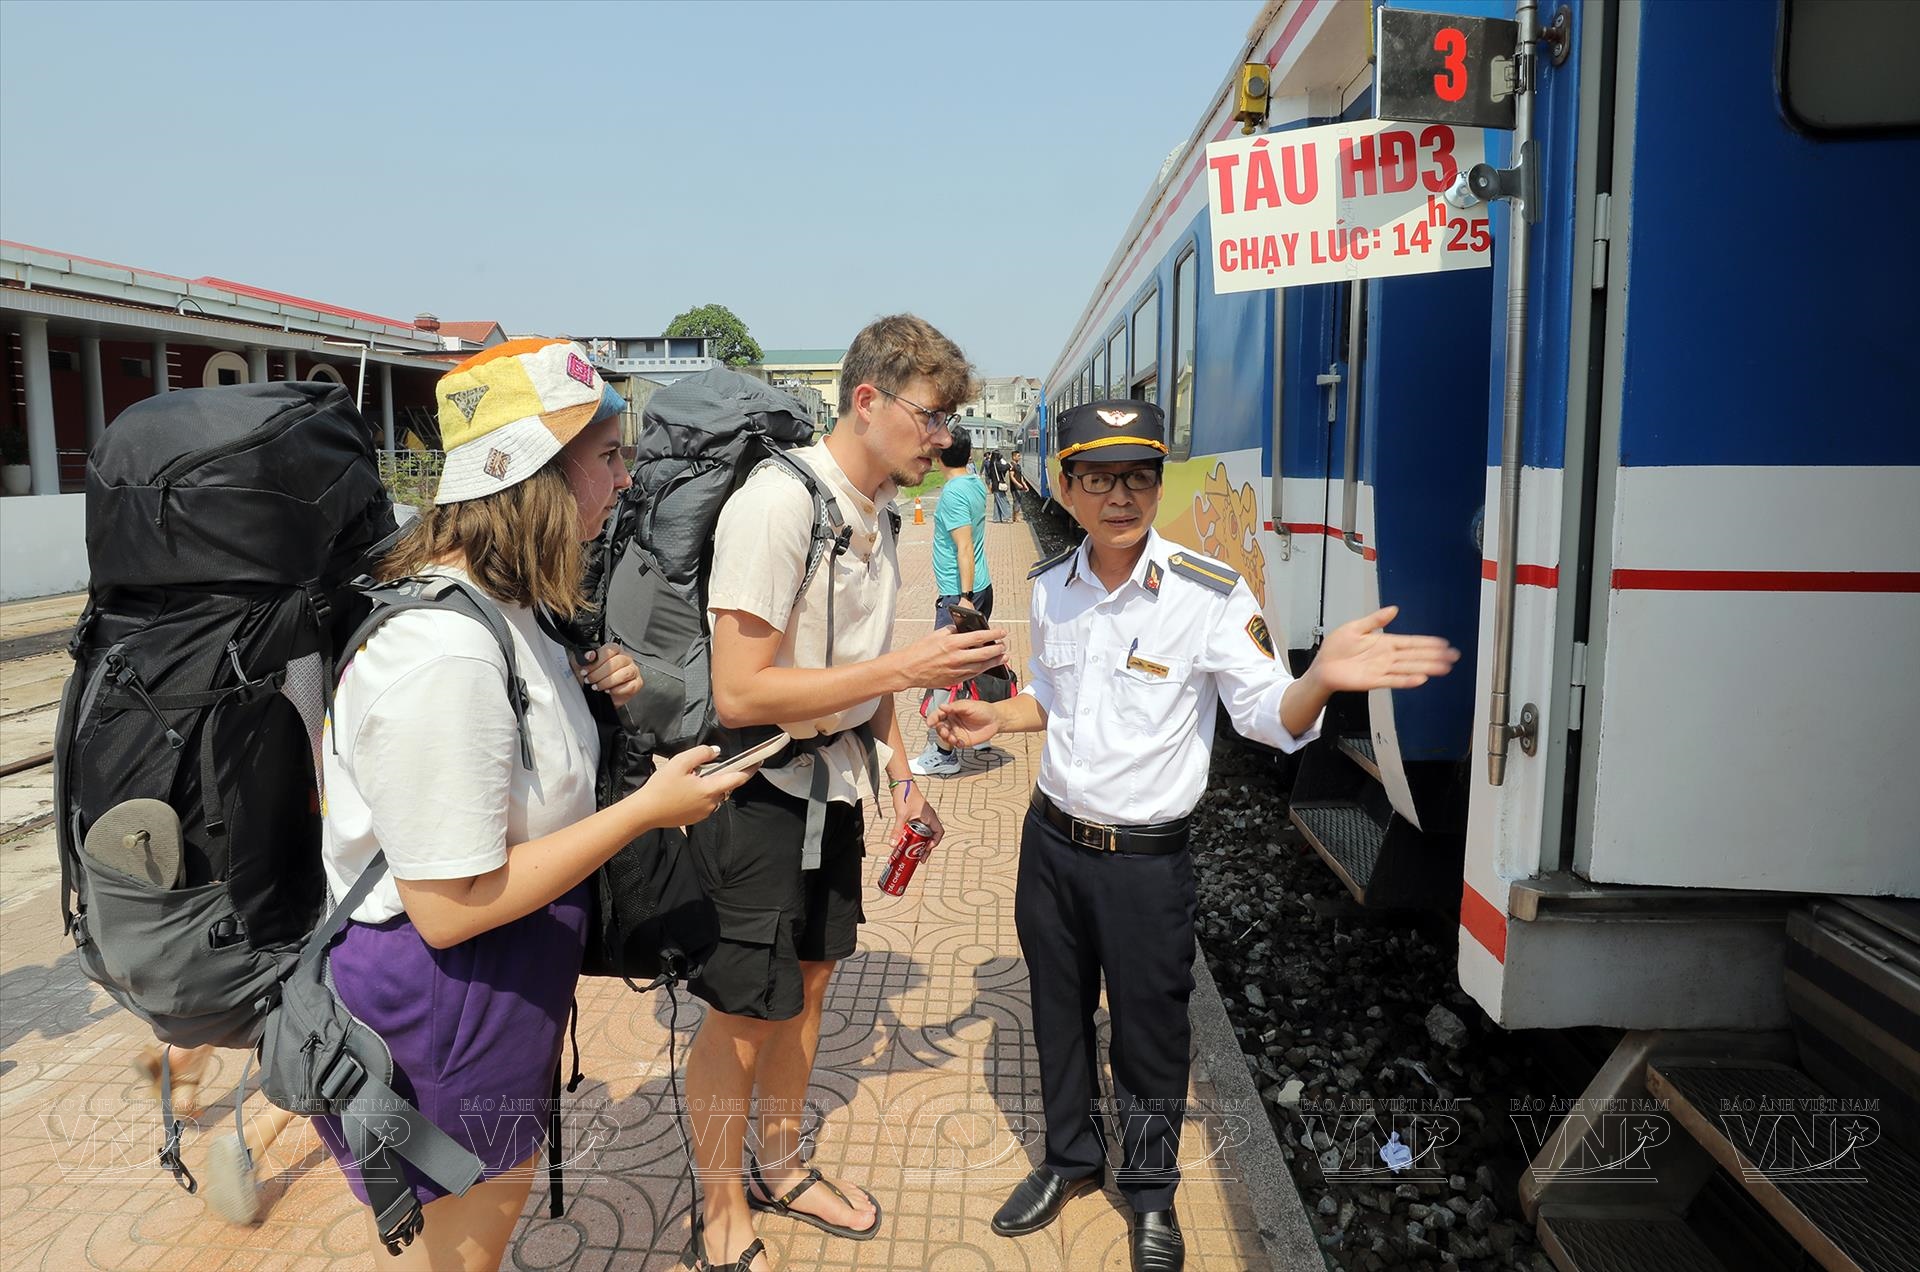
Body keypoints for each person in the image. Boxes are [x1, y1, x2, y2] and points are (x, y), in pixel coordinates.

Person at [932, 400, 1459, 1272]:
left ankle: (1147, 1195)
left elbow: (1267, 718)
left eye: (1138, 475)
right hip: (1051, 846)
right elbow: (1057, 706)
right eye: (1097, 476)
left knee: (1148, 1034)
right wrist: (999, 725)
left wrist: (1320, 680)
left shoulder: (1209, 593)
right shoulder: (1050, 588)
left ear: (1158, 484)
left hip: (1144, 865)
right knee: (1056, 1016)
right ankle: (1070, 1159)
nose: (1120, 494)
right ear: (1063, 486)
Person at [311, 338, 751, 1271]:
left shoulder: (515, 609)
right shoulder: (444, 653)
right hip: (447, 1000)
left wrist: (601, 690)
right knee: (464, 1251)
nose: (626, 481)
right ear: (536, 478)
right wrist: (645, 811)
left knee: (486, 1221)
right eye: (609, 457)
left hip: (503, 974)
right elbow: (446, 905)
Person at [684, 314, 1009, 1272]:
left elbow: (859, 672)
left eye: (951, 417)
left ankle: (781, 1164)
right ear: (866, 400)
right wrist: (910, 668)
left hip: (831, 790)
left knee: (814, 984)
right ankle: (718, 1210)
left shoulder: (882, 514)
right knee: (742, 1012)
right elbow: (741, 690)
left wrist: (901, 774)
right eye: (931, 413)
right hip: (756, 792)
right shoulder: (779, 506)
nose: (943, 435)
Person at [908, 429, 993, 778]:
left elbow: (962, 548)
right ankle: (980, 733)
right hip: (978, 587)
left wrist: (965, 599)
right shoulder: (973, 482)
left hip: (961, 593)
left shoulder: (954, 493)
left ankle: (943, 752)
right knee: (972, 663)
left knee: (945, 671)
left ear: (940, 454)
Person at [982, 448, 1012, 523]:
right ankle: (1006, 517)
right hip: (998, 486)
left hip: (995, 485)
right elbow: (1003, 468)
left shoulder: (992, 464)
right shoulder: (996, 463)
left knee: (997, 503)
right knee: (1004, 501)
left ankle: (997, 518)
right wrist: (1008, 465)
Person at [1007, 447, 1032, 523]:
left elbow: (1021, 477)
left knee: (1018, 501)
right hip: (1015, 488)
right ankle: (1015, 517)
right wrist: (1017, 484)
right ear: (1014, 457)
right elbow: (1011, 476)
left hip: (1020, 487)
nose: (1020, 457)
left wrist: (1025, 485)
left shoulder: (1018, 466)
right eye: (1018, 456)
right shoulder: (1012, 465)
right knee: (1016, 501)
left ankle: (1015, 517)